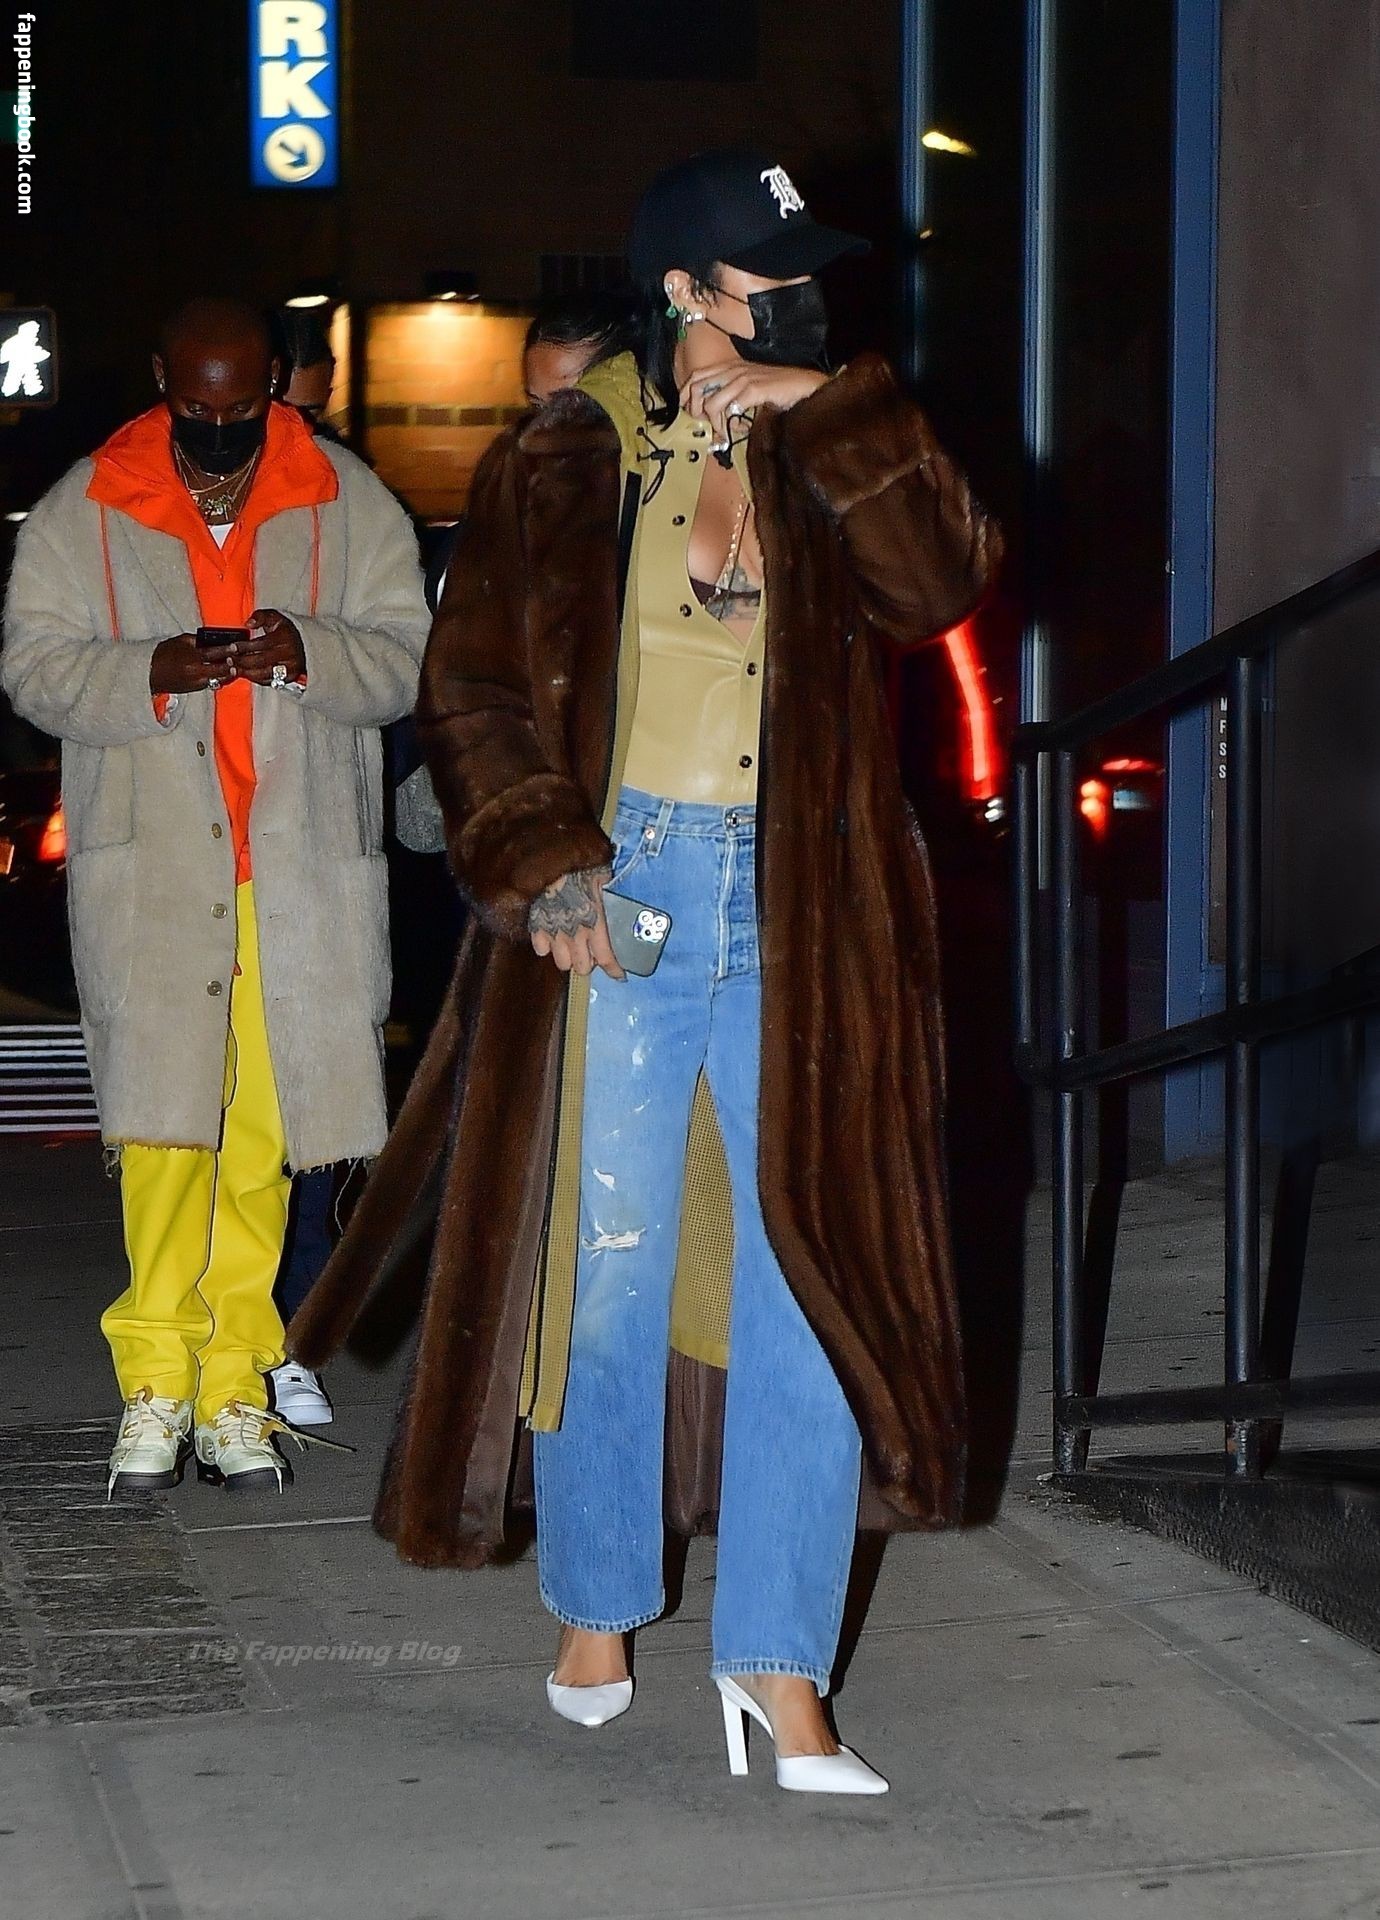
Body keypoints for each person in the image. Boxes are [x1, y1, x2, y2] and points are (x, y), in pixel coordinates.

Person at [290, 149, 1000, 1791]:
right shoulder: (570, 453)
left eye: (810, 279)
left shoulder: (832, 435)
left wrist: (834, 409)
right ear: (683, 289)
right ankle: (600, 1598)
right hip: (632, 890)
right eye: (767, 280)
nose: (799, 301)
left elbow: (943, 584)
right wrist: (546, 860)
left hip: (808, 907)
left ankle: (778, 1664)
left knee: (813, 1279)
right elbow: (474, 691)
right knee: (605, 1267)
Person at [2, 297, 429, 1493]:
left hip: (294, 875)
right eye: (198, 404)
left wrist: (309, 652)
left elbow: (407, 659)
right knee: (163, 1134)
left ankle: (235, 1381)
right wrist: (150, 669)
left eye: (243, 404)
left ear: (277, 382)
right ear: (161, 379)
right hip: (156, 874)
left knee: (263, 1139)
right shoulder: (90, 502)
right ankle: (155, 1377)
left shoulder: (346, 498)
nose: (222, 425)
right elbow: (31, 668)